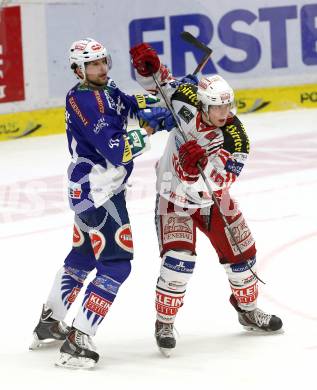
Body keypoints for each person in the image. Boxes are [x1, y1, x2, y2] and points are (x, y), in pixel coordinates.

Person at [129, 43, 283, 356]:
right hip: (172, 198)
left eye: (229, 106)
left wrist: (192, 170)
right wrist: (150, 66)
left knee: (244, 257)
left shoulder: (235, 136)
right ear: (202, 104)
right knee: (178, 262)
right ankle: (164, 322)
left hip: (212, 199)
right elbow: (160, 86)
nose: (225, 114)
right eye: (218, 107)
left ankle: (249, 310)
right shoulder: (185, 97)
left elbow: (220, 180)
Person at [29, 38, 174, 369]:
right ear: (79, 69)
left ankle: (50, 322)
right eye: (93, 64)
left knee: (82, 258)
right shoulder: (87, 102)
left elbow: (125, 101)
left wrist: (153, 104)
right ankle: (78, 339)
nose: (102, 68)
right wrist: (151, 127)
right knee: (117, 263)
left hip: (86, 190)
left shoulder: (104, 89)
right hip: (101, 193)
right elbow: (116, 149)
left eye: (103, 61)